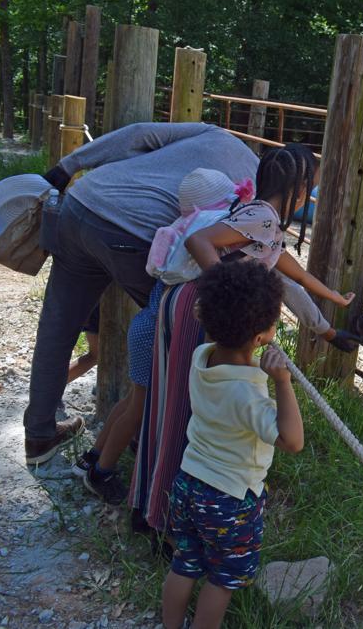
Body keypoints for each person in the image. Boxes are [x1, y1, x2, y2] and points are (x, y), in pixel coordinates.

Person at [77, 166, 356, 505]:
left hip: (148, 324)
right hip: (155, 332)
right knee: (139, 406)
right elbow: (287, 282)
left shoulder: (195, 240)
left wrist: (329, 308)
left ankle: (92, 457)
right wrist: (233, 291)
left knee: (134, 401)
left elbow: (290, 275)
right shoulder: (227, 245)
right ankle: (101, 473)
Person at [24, 122, 257, 465]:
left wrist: (69, 165)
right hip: (132, 231)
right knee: (174, 330)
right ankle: (148, 436)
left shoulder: (217, 134)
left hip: (83, 202)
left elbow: (139, 134)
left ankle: (39, 436)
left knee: (57, 327)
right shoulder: (255, 200)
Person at [160, 261, 301, 629]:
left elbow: (218, 325)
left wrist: (207, 311)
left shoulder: (202, 357)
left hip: (188, 483)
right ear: (261, 337)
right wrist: (283, 383)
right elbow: (292, 440)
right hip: (230, 498)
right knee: (222, 581)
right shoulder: (248, 395)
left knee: (184, 563)